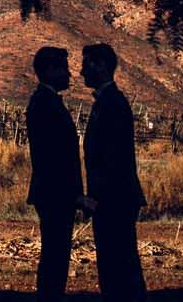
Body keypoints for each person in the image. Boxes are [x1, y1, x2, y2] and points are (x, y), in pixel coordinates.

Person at [79, 42, 146, 300]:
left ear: (102, 66)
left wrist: (98, 197)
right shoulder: (108, 102)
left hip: (113, 199)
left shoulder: (112, 104)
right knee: (118, 263)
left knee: (118, 264)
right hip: (113, 198)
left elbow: (112, 159)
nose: (82, 72)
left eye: (87, 65)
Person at [24, 45, 83, 299]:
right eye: (64, 69)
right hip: (55, 194)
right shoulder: (44, 104)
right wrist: (74, 195)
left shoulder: (45, 102)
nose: (69, 75)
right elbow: (53, 160)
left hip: (54, 193)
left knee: (56, 255)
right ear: (49, 71)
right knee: (55, 256)